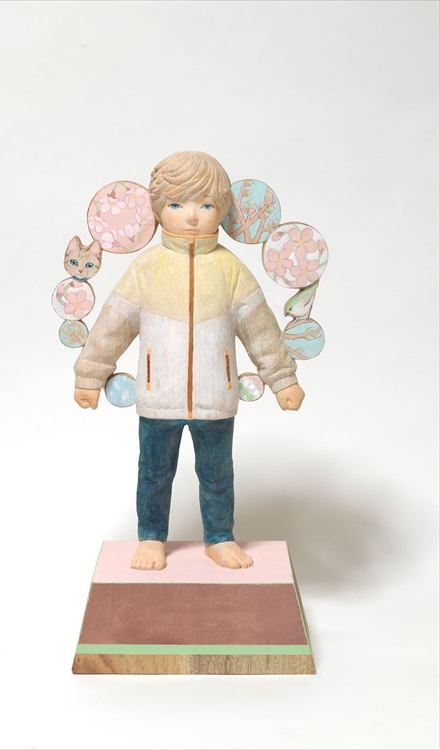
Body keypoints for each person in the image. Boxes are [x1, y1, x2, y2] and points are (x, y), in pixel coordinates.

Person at [73, 151, 305, 571]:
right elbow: (112, 326)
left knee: (217, 475)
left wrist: (283, 378)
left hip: (216, 398)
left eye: (206, 204)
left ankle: (219, 537)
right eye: (177, 204)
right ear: (157, 209)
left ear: (224, 209)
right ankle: (150, 538)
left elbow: (261, 330)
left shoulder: (231, 270)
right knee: (153, 474)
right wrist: (90, 375)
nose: (192, 216)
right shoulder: (146, 268)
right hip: (156, 397)